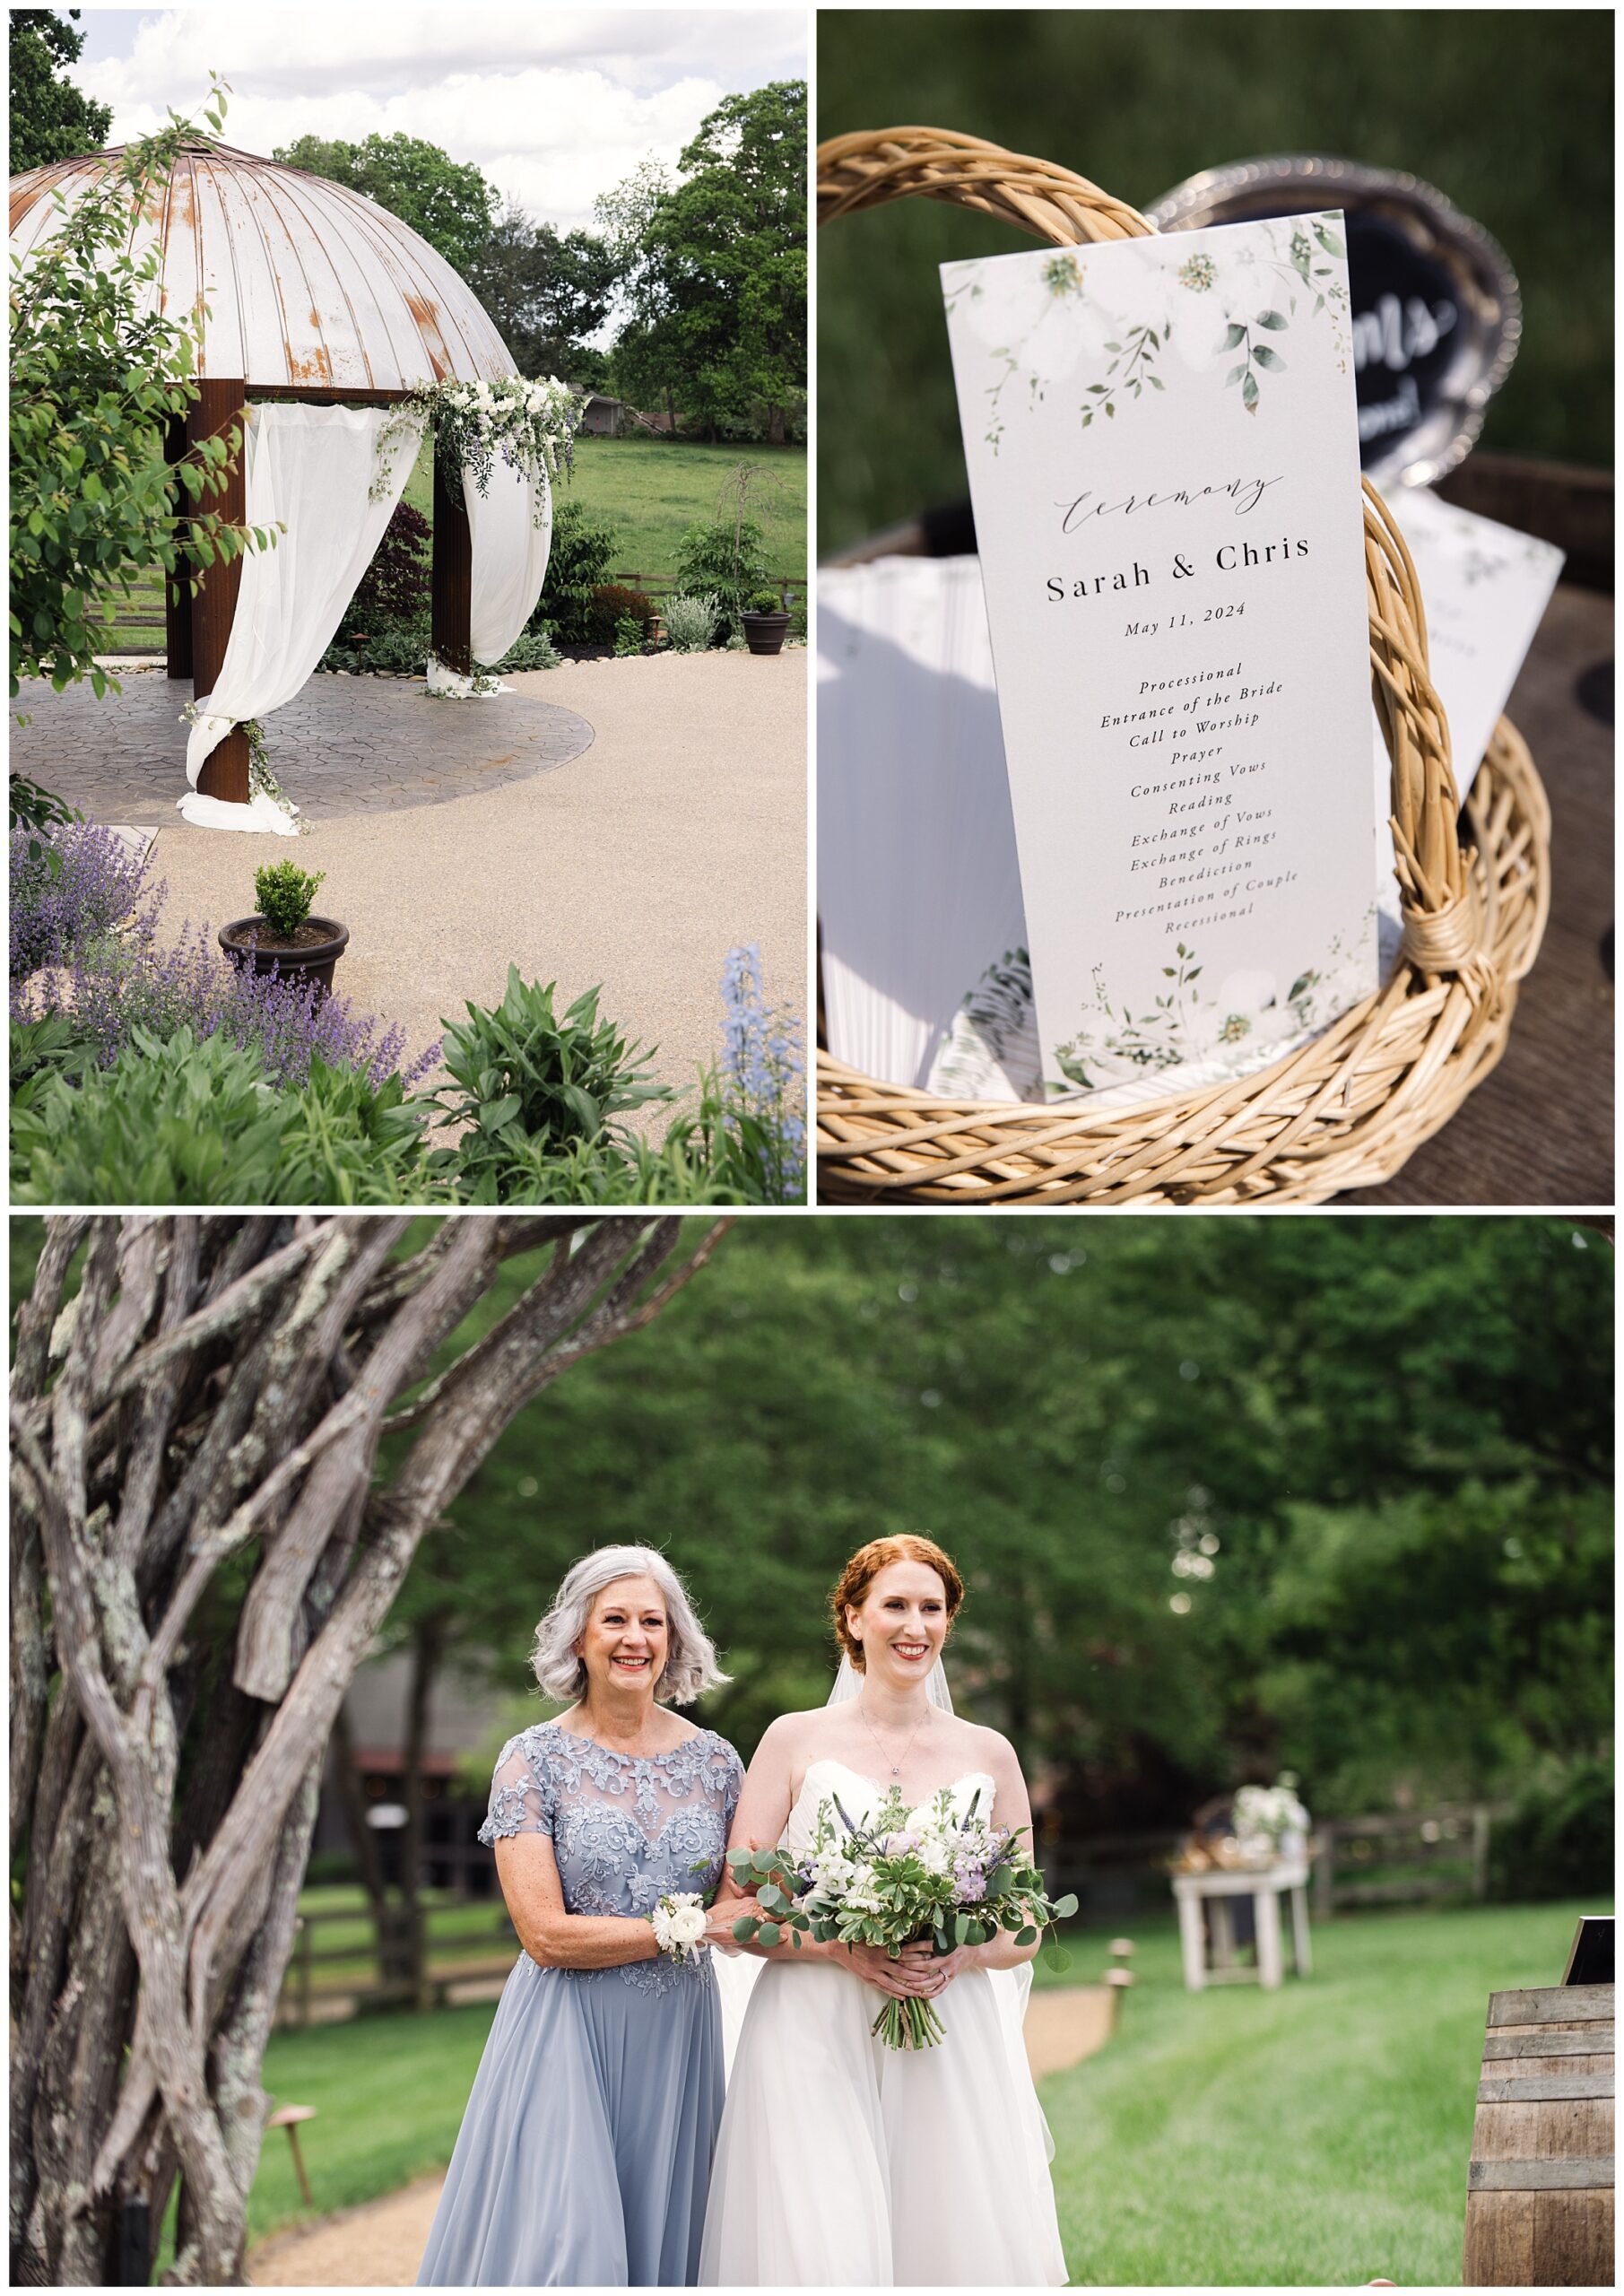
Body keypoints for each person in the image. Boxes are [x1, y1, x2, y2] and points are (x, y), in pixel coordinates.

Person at [699, 1534, 1065, 2286]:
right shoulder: (791, 1740)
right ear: (852, 1617)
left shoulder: (990, 1753)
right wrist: (838, 1945)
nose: (915, 1625)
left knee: (942, 2241)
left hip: (942, 2033)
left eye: (931, 1608)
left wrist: (957, 1952)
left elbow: (1024, 1926)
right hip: (811, 2028)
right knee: (824, 2242)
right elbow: (734, 1909)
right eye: (894, 1605)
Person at [417, 1545, 743, 2288]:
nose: (634, 1638)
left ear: (674, 1638)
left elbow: (743, 1904)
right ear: (578, 1637)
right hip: (566, 2032)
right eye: (615, 1620)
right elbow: (543, 1934)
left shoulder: (719, 1763)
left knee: (668, 2239)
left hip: (678, 2037)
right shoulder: (531, 1761)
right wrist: (683, 1930)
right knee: (571, 2248)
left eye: (651, 1622)